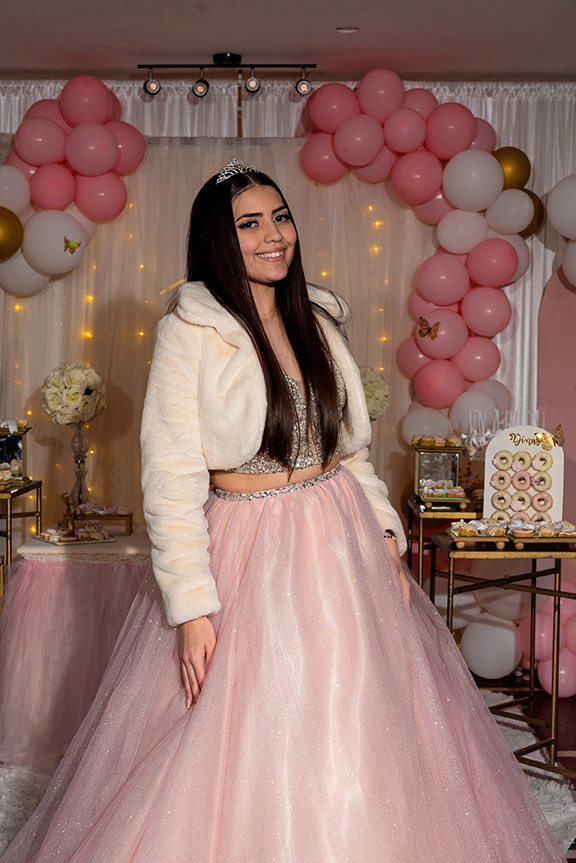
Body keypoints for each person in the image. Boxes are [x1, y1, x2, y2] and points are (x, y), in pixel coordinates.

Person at [3, 160, 564, 862]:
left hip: (341, 536)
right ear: (218, 237)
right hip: (248, 544)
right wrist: (192, 608)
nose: (274, 235)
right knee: (244, 725)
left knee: (358, 712)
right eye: (250, 223)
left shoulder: (317, 318)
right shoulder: (192, 328)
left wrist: (385, 541)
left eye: (281, 217)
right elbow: (170, 475)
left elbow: (349, 450)